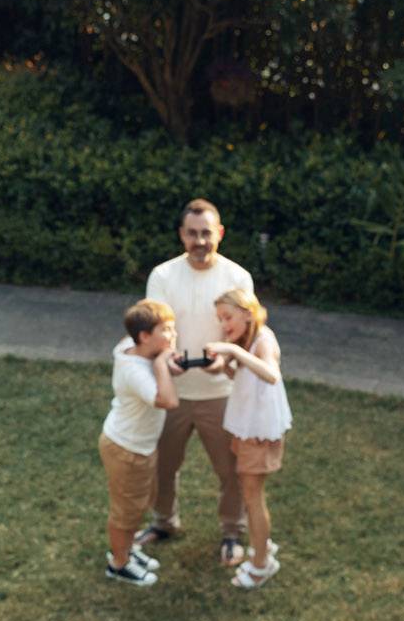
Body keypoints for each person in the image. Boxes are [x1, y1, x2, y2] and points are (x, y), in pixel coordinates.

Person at [142, 198, 256, 566]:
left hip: (221, 391)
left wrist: (224, 360)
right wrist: (165, 359)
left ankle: (231, 532)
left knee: (230, 469)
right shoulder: (162, 276)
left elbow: (247, 332)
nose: (200, 241)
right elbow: (154, 330)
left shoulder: (238, 278)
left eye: (206, 233)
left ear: (219, 233)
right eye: (192, 233)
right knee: (162, 465)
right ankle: (164, 523)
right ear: (181, 235)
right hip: (172, 391)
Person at [206, 287, 290, 589]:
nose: (224, 324)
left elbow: (270, 374)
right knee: (249, 492)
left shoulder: (263, 339)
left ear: (247, 312)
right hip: (247, 425)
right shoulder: (245, 340)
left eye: (227, 317)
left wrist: (234, 352)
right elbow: (240, 377)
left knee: (253, 496)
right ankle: (262, 544)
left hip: (259, 430)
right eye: (220, 318)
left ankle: (260, 565)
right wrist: (224, 362)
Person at [102, 299, 180, 586]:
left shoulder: (131, 345)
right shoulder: (134, 370)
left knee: (139, 504)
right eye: (167, 330)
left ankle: (127, 549)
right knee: (126, 511)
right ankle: (119, 563)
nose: (173, 336)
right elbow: (168, 401)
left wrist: (163, 361)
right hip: (127, 449)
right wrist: (162, 363)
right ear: (145, 337)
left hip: (140, 446)